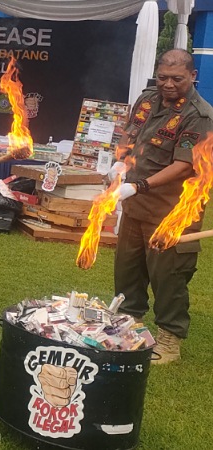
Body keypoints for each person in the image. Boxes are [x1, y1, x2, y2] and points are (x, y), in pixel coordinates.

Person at [113, 49, 213, 364]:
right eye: (163, 77)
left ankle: (169, 339)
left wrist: (139, 185)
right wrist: (119, 163)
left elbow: (184, 166)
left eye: (177, 79)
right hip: (135, 206)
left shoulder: (199, 115)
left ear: (193, 76)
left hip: (171, 212)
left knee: (168, 277)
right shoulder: (147, 99)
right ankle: (129, 326)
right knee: (127, 270)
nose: (168, 84)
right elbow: (130, 134)